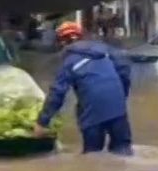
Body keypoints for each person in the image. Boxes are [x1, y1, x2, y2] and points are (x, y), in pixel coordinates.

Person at [33, 21, 134, 155]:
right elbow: (124, 70)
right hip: (117, 108)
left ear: (62, 42)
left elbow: (57, 93)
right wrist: (122, 95)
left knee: (92, 155)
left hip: (92, 112)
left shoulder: (68, 61)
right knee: (123, 151)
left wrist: (42, 122)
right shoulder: (105, 50)